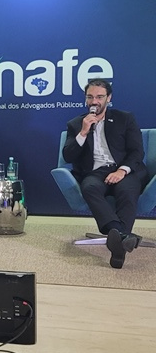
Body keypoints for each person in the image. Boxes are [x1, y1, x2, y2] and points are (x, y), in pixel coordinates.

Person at [62, 79, 146, 269]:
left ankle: (118, 249)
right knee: (89, 187)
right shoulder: (76, 124)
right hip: (95, 172)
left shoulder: (125, 118)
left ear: (109, 98)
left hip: (124, 169)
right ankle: (121, 235)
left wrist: (121, 171)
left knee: (126, 191)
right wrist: (83, 132)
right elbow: (68, 155)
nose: (94, 101)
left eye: (99, 97)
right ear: (85, 100)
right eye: (90, 97)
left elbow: (137, 152)